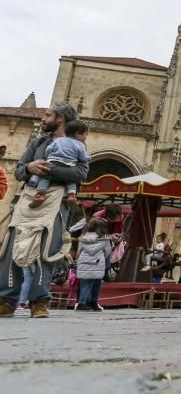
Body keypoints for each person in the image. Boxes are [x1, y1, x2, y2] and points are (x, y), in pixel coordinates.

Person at [1, 103, 88, 319]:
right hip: (29, 197)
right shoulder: (39, 142)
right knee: (13, 246)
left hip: (56, 200)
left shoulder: (78, 145)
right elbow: (20, 169)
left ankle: (39, 302)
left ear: (60, 119)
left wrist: (49, 169)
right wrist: (30, 167)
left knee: (48, 249)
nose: (43, 118)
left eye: (47, 115)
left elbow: (81, 173)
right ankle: (5, 300)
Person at [27, 119, 89, 208]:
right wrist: (87, 158)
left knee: (45, 176)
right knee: (71, 180)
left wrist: (49, 156)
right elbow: (83, 157)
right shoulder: (81, 145)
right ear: (78, 133)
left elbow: (49, 149)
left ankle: (40, 193)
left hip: (53, 161)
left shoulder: (59, 140)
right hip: (69, 164)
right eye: (85, 134)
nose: (86, 137)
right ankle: (71, 195)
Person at [76, 218, 111, 312]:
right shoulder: (105, 238)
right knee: (97, 284)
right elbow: (107, 251)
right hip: (98, 262)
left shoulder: (83, 237)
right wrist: (103, 257)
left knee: (84, 284)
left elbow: (79, 250)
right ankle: (93, 302)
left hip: (84, 262)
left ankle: (82, 302)